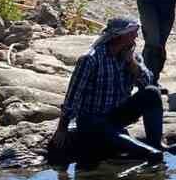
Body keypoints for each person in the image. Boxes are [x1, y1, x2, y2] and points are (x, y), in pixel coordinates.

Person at [47, 16, 165, 169]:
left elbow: (147, 82)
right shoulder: (90, 59)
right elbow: (73, 97)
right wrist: (62, 129)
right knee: (148, 153)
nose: (136, 36)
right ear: (119, 36)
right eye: (133, 33)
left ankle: (156, 143)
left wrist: (132, 64)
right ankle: (149, 152)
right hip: (92, 121)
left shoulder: (132, 56)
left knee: (152, 92)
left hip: (116, 115)